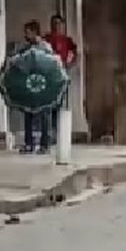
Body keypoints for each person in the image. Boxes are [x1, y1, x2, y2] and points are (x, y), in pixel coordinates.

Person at [21, 20, 55, 154]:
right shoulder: (25, 48)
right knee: (28, 113)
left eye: (28, 32)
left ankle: (44, 145)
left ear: (34, 32)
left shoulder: (45, 47)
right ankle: (29, 144)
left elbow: (52, 64)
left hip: (43, 84)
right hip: (30, 84)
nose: (26, 35)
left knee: (44, 115)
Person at [43, 14, 77, 145]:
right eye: (54, 24)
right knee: (47, 106)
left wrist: (68, 64)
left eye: (59, 24)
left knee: (59, 105)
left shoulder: (68, 41)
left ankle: (58, 133)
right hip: (48, 78)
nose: (57, 27)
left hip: (61, 77)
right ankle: (47, 135)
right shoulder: (46, 40)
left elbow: (73, 55)